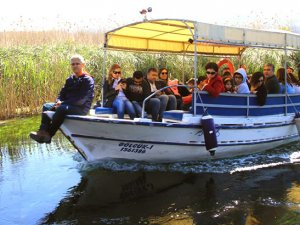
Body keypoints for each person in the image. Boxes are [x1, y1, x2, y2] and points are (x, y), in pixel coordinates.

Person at [29, 54, 94, 143]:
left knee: (62, 109)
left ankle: (49, 134)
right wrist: (58, 101)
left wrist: (63, 104)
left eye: (77, 64)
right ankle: (42, 131)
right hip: (67, 105)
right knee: (47, 106)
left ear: (83, 65)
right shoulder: (70, 79)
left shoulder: (88, 80)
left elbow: (81, 100)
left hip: (81, 108)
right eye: (73, 64)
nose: (75, 66)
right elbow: (62, 93)